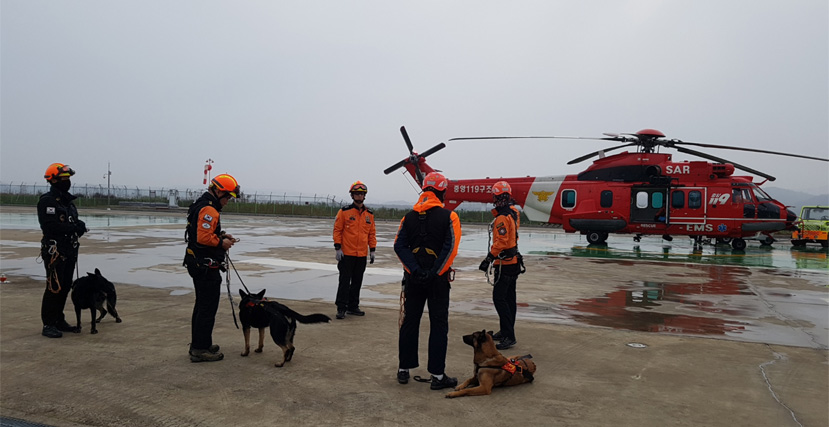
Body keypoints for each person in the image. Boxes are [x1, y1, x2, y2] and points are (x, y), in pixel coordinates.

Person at [394, 172, 461, 390]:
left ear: (424, 190)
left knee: (410, 321)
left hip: (413, 279)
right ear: (441, 191)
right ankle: (438, 376)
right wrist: (434, 272)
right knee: (438, 325)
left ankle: (404, 368)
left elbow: (399, 246)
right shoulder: (449, 217)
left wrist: (414, 270)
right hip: (437, 281)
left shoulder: (408, 217)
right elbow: (449, 249)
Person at [183, 173, 240, 362]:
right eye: (227, 197)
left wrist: (221, 235)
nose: (228, 202)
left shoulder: (203, 206)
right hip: (204, 267)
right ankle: (200, 349)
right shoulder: (209, 210)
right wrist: (221, 243)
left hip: (199, 264)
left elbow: (204, 232)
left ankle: (202, 343)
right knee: (206, 308)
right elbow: (203, 238)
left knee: (202, 306)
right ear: (217, 192)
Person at [38, 163, 87, 338]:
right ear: (53, 180)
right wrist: (73, 227)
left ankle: (59, 319)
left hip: (69, 250)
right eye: (63, 179)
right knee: (54, 287)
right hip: (55, 251)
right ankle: (48, 324)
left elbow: (71, 221)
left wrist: (79, 226)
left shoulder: (68, 202)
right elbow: (51, 225)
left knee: (65, 286)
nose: (67, 182)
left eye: (68, 179)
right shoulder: (47, 201)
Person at [479, 181, 523, 350]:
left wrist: (488, 258)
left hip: (504, 264)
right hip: (513, 263)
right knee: (510, 298)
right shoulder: (513, 213)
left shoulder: (502, 218)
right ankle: (506, 331)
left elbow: (501, 242)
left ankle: (509, 336)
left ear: (496, 197)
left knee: (499, 298)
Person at [332, 181, 377, 319]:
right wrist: (338, 248)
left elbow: (371, 234)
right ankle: (341, 307)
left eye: (361, 194)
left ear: (364, 196)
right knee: (345, 282)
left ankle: (353, 306)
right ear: (352, 195)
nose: (359, 196)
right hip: (347, 254)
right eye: (357, 193)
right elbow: (337, 230)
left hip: (361, 254)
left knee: (357, 282)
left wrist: (373, 250)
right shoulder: (344, 212)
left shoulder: (369, 214)